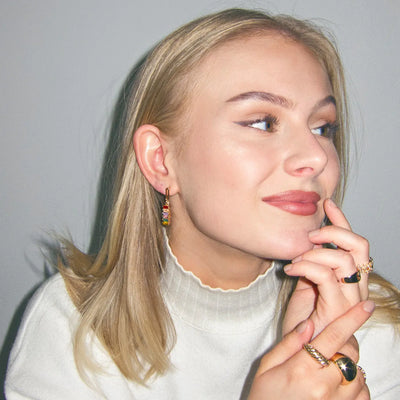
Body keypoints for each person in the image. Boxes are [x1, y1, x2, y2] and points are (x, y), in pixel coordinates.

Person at [5, 8, 400, 399]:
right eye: (263, 122)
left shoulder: (369, 320)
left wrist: (325, 350)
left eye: (322, 127)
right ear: (160, 160)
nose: (315, 156)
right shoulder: (72, 328)